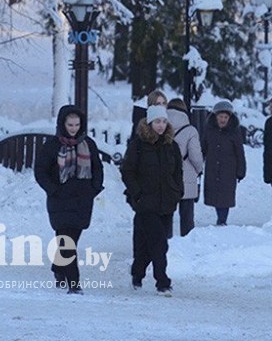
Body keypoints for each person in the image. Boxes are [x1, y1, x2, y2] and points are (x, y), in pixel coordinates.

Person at [34, 105, 104, 295]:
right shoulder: (52, 145)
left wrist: (94, 188)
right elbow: (40, 171)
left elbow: (97, 168)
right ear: (62, 124)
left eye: (76, 124)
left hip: (82, 200)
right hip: (60, 200)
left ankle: (58, 268)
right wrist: (53, 189)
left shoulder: (88, 144)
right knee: (67, 242)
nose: (73, 128)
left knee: (70, 240)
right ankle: (74, 283)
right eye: (70, 124)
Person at [120, 104, 183, 295]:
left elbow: (178, 172)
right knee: (159, 243)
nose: (161, 125)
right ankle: (162, 281)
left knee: (147, 245)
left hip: (166, 202)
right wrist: (137, 193)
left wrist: (176, 192)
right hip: (145, 202)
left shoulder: (171, 145)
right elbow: (127, 171)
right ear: (149, 122)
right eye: (157, 121)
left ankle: (137, 272)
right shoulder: (138, 144)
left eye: (164, 121)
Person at [201, 100, 246, 226]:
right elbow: (203, 148)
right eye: (220, 117)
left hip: (228, 170)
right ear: (215, 117)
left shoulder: (234, 132)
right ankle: (220, 218)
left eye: (225, 117)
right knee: (215, 195)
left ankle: (222, 220)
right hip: (212, 169)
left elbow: (240, 153)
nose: (223, 119)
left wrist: (241, 171)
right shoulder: (209, 130)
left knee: (225, 196)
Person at [166, 98, 203, 237]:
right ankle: (187, 242)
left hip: (167, 177)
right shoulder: (190, 130)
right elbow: (195, 155)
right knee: (187, 215)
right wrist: (199, 169)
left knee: (167, 214)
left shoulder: (162, 126)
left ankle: (167, 241)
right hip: (186, 177)